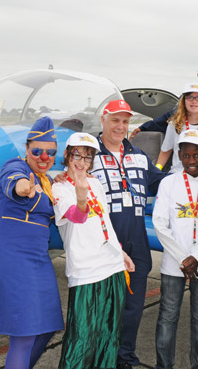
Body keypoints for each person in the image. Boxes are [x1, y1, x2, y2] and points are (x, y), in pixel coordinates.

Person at [0, 116, 63, 369]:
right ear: (26, 150)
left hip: (37, 260)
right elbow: (14, 181)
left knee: (47, 327)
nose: (43, 157)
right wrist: (23, 187)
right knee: (24, 336)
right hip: (13, 259)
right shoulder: (16, 167)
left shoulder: (46, 182)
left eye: (50, 153)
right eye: (37, 151)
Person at [89, 99, 167, 369]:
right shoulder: (89, 155)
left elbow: (162, 183)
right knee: (103, 309)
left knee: (132, 309)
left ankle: (125, 358)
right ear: (104, 120)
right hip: (103, 243)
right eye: (115, 120)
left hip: (137, 243)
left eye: (125, 121)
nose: (120, 126)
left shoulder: (139, 156)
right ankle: (102, 357)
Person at [52, 132, 136, 369]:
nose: (82, 162)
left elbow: (105, 223)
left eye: (88, 157)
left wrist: (121, 252)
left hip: (112, 265)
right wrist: (80, 193)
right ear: (68, 155)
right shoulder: (59, 188)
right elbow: (76, 217)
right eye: (77, 155)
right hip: (85, 270)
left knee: (110, 335)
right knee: (82, 338)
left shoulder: (96, 183)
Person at [152, 130, 198, 369]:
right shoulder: (168, 183)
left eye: (197, 155)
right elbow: (160, 224)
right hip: (174, 263)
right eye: (186, 155)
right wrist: (184, 258)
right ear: (179, 155)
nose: (192, 161)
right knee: (167, 318)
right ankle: (164, 365)